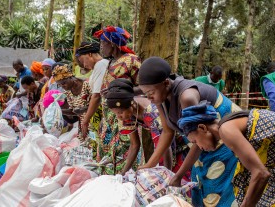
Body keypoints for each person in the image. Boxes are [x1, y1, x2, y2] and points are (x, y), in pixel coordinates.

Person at [138, 57, 241, 206]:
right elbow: (167, 132)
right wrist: (150, 164)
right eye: (145, 93)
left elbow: (200, 137)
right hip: (201, 143)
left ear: (166, 83)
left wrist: (178, 175)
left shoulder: (186, 97)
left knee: (216, 190)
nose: (148, 98)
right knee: (199, 186)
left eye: (150, 92)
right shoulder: (160, 99)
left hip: (224, 141)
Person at [178, 102, 275, 206]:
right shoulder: (230, 126)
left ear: (203, 128)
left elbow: (261, 174)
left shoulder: (227, 130)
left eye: (195, 141)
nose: (199, 147)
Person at [106, 79, 194, 177]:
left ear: (131, 103)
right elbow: (134, 144)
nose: (119, 117)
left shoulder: (152, 112)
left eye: (120, 112)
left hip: (181, 143)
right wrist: (123, 173)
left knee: (180, 179)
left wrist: (166, 174)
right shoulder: (128, 114)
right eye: (116, 113)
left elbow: (166, 145)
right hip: (165, 146)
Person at [93, 26, 142, 174]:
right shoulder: (110, 63)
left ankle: (124, 184)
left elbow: (144, 87)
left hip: (125, 118)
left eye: (103, 43)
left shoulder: (131, 60)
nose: (101, 47)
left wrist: (121, 92)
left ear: (112, 43)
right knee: (106, 158)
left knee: (124, 153)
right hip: (109, 120)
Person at [75, 42, 109, 137]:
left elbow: (97, 96)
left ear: (89, 54)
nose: (84, 65)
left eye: (82, 60)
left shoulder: (101, 65)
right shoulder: (98, 66)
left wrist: (85, 121)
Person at [52, 64, 95, 139]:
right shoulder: (68, 92)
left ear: (71, 77)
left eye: (64, 83)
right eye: (59, 85)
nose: (63, 86)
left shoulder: (87, 84)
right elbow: (73, 111)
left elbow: (98, 103)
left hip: (95, 122)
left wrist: (84, 109)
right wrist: (59, 111)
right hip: (83, 125)